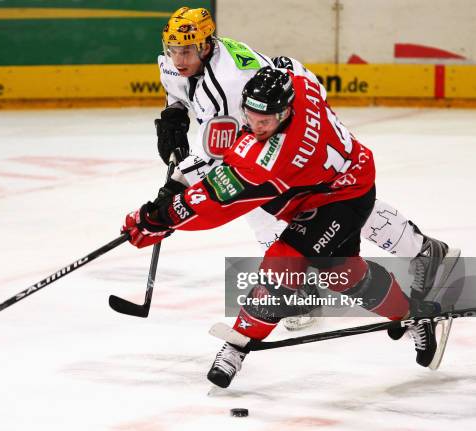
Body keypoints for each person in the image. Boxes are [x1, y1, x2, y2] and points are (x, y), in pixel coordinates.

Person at [122, 66, 453, 388]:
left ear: (283, 114)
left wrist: (157, 219)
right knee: (344, 275)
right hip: (332, 183)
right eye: (250, 115)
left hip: (342, 197)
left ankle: (237, 346)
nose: (255, 125)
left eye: (264, 120)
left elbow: (213, 204)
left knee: (283, 263)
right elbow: (286, 67)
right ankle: (414, 314)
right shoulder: (299, 86)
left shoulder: (273, 157)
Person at [153, 7, 457, 331]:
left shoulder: (227, 82)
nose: (179, 58)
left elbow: (221, 154)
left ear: (205, 45)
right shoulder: (180, 63)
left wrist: (177, 185)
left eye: (186, 50)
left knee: (327, 197)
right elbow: (180, 95)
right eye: (174, 50)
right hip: (268, 123)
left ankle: (307, 288)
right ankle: (420, 250)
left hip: (289, 126)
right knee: (322, 203)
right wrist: (173, 115)